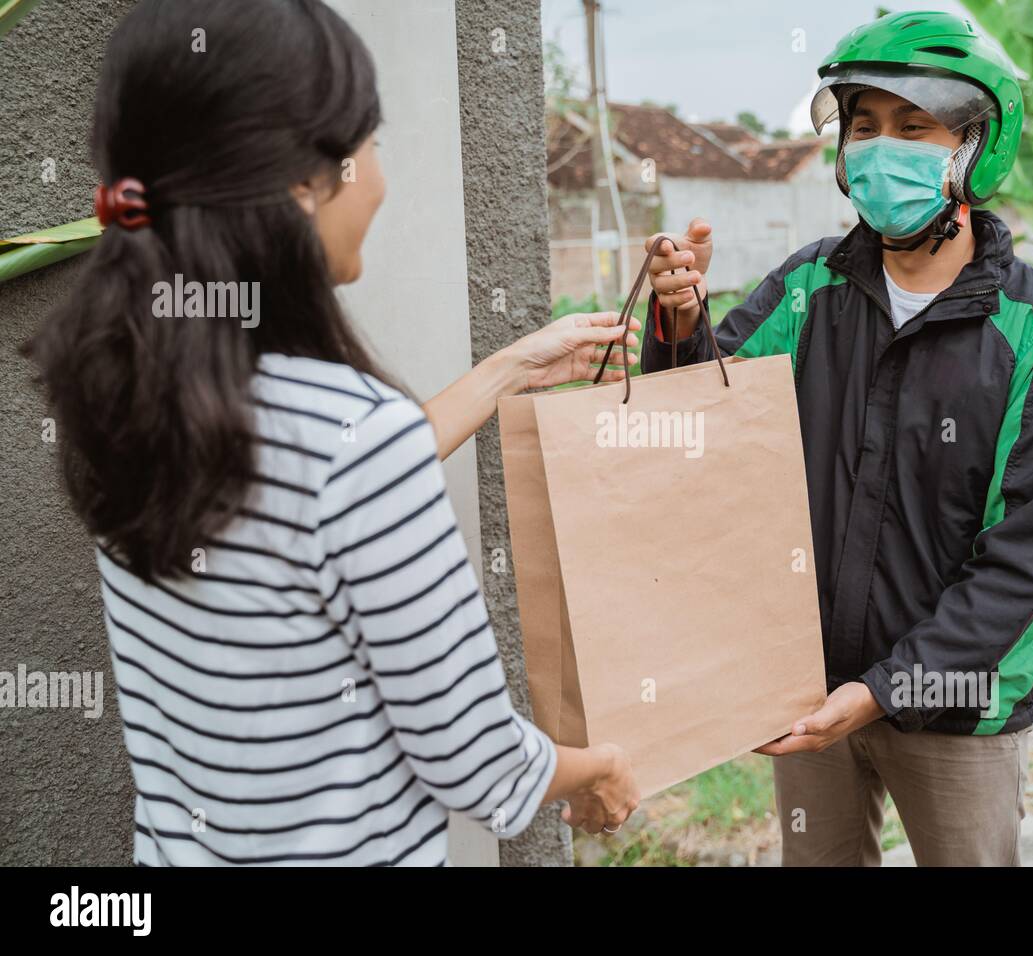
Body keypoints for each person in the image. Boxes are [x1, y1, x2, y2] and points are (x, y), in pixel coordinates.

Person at [24, 0, 639, 866]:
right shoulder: (354, 444)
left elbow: (309, 508)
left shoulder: (120, 394)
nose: (380, 180)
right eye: (369, 144)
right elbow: (476, 760)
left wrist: (507, 371)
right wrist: (599, 767)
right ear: (303, 182)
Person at [641, 11, 1033, 866]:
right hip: (806, 689)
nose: (881, 146)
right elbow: (701, 427)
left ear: (976, 146)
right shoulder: (808, 288)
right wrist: (676, 325)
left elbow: (1021, 559)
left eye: (912, 126)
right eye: (864, 124)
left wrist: (887, 689)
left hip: (960, 708)